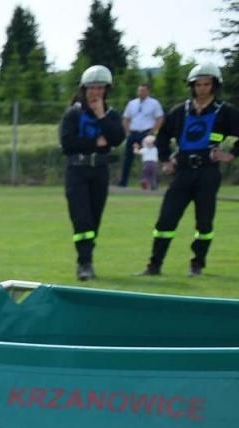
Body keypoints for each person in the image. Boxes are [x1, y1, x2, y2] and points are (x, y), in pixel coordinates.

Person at [139, 62, 238, 277]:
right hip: (182, 172)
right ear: (192, 86)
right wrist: (165, 159)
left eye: (207, 84)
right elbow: (162, 136)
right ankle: (154, 265)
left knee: (204, 221)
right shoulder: (180, 111)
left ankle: (197, 264)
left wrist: (230, 154)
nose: (202, 89)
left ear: (214, 86)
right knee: (166, 219)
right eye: (198, 84)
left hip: (208, 172)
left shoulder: (225, 112)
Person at [59, 66, 124, 281]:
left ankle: (88, 257)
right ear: (84, 89)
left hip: (100, 171)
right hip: (77, 171)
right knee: (82, 218)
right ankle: (84, 263)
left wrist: (101, 116)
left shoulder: (111, 115)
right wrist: (95, 142)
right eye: (91, 88)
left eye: (100, 88)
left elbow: (117, 138)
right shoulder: (73, 114)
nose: (95, 92)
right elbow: (67, 143)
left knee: (94, 218)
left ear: (106, 90)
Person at [119, 82, 164, 188]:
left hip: (147, 133)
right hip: (133, 132)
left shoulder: (154, 103)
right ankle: (123, 182)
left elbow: (159, 118)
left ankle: (153, 182)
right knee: (128, 158)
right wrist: (128, 132)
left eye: (143, 90)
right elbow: (125, 119)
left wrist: (153, 132)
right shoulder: (132, 103)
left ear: (148, 91)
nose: (140, 92)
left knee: (150, 158)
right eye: (139, 90)